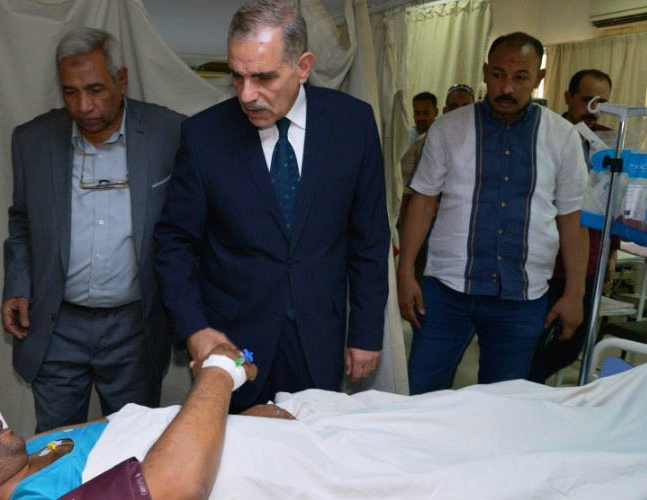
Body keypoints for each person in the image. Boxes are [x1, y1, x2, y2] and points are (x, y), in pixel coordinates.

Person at [154, 0, 390, 412]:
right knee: (236, 447)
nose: (247, 95)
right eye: (237, 75)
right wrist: (195, 329)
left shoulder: (353, 125)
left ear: (303, 66)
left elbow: (369, 237)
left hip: (319, 336)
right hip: (232, 342)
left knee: (312, 442)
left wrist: (366, 332)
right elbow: (173, 242)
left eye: (263, 77)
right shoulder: (203, 136)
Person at [1, 27, 185, 431]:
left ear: (122, 80)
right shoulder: (32, 141)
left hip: (134, 328)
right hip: (56, 325)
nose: (84, 106)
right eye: (71, 92)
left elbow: (188, 230)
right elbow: (22, 220)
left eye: (96, 89)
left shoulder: (169, 134)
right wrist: (18, 283)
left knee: (130, 444)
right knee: (56, 444)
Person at [398, 32, 589, 395]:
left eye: (520, 77)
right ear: (485, 72)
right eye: (498, 75)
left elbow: (571, 218)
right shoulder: (448, 129)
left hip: (522, 298)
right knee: (422, 395)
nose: (507, 87)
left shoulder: (562, 137)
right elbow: (423, 201)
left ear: (539, 78)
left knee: (502, 406)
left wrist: (575, 293)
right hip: (447, 291)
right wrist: (405, 271)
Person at [0, 345, 288, 500]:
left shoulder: (25, 454)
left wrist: (236, 424)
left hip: (249, 440)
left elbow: (140, 430)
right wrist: (219, 371)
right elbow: (174, 487)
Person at [528, 69, 618, 383]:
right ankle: (527, 392)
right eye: (587, 100)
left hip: (588, 260)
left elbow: (613, 202)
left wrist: (611, 252)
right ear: (568, 97)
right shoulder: (547, 133)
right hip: (545, 260)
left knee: (570, 344)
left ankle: (533, 385)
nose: (594, 109)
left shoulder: (609, 142)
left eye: (601, 103)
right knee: (532, 342)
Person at [398, 84, 475, 280]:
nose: (460, 112)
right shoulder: (426, 141)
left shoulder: (486, 143)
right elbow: (408, 193)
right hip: (430, 226)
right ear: (446, 110)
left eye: (466, 106)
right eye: (454, 106)